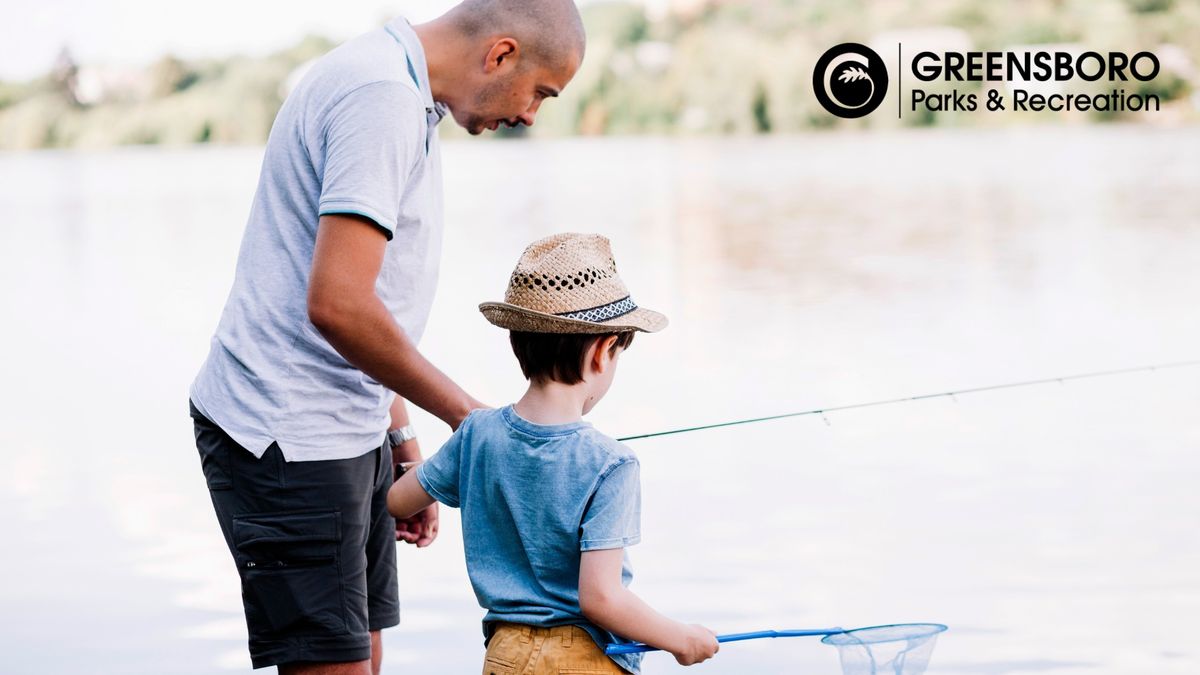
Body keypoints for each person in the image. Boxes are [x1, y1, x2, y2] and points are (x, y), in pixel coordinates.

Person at [187, 2, 586, 673]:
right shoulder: (381, 99)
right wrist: (472, 418)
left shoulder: (402, 89)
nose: (528, 115)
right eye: (539, 93)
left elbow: (369, 302)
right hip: (288, 435)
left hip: (347, 425)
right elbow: (337, 305)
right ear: (500, 54)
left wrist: (398, 441)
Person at [387, 233, 720, 674]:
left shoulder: (475, 435)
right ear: (603, 352)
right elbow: (600, 598)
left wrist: (437, 470)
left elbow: (396, 502)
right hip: (582, 658)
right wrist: (681, 638)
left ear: (518, 344)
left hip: (504, 654)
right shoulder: (611, 463)